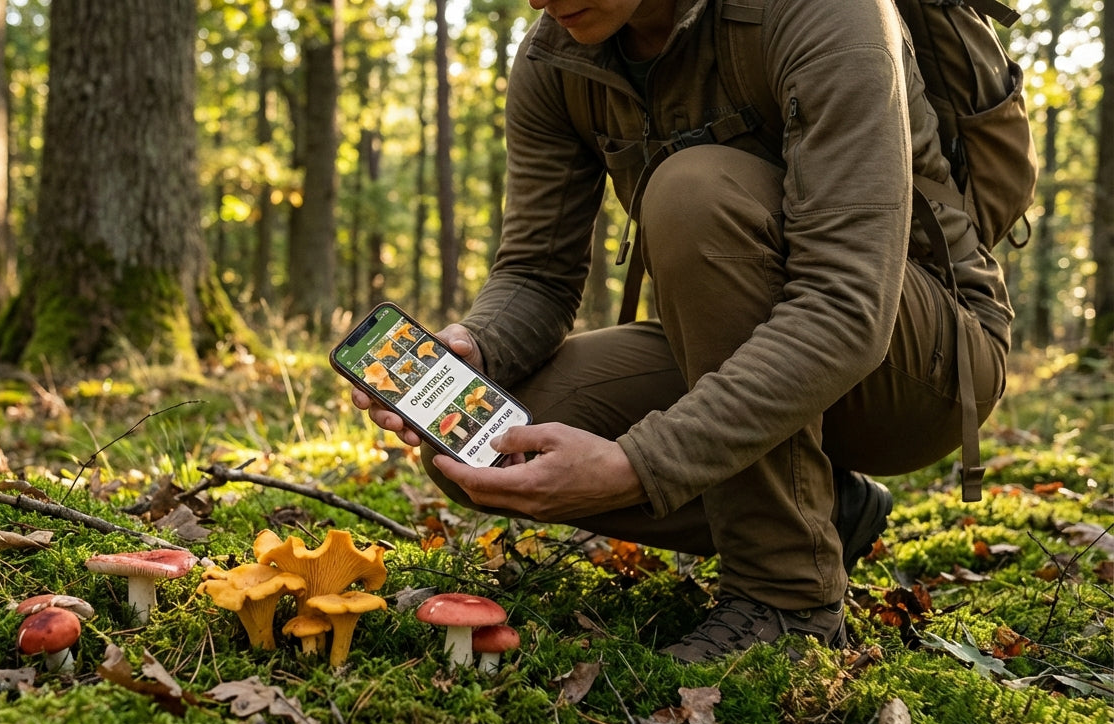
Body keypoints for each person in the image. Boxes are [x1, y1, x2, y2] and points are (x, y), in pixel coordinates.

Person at [351, 0, 1011, 662]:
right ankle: (827, 513)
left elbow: (845, 305)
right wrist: (478, 343)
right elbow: (536, 274)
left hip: (923, 359)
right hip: (733, 349)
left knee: (693, 191)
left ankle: (786, 601)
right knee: (486, 448)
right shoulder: (555, 57)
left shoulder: (823, 12)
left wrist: (640, 466)